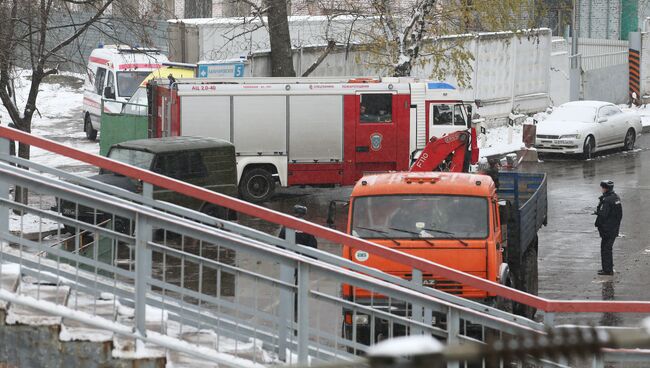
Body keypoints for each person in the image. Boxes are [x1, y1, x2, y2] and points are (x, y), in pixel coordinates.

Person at [594, 180, 623, 276]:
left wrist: (597, 212)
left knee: (605, 249)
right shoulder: (616, 198)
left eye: (602, 187)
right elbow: (619, 215)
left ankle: (607, 270)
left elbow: (604, 214)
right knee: (607, 248)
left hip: (608, 230)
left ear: (605, 188)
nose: (601, 189)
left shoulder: (607, 200)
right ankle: (608, 268)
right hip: (614, 228)